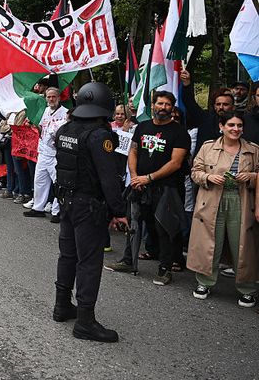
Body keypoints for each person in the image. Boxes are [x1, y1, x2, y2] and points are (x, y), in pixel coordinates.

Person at [51, 82, 127, 343]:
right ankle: (85, 321)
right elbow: (109, 178)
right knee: (89, 262)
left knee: (68, 255)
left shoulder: (65, 129)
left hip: (66, 201)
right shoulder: (99, 136)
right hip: (89, 205)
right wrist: (119, 211)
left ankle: (62, 306)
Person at [188, 112, 259, 306]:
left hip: (242, 200)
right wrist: (208, 178)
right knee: (210, 242)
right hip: (211, 199)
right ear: (222, 126)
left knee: (243, 246)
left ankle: (248, 289)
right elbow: (195, 172)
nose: (236, 129)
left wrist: (251, 176)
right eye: (231, 125)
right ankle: (204, 282)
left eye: (239, 126)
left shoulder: (253, 150)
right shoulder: (208, 147)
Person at [127, 91, 191, 286]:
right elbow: (133, 151)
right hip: (141, 186)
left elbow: (176, 163)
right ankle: (128, 260)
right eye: (160, 103)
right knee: (135, 223)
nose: (163, 107)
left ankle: (165, 269)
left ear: (172, 108)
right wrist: (135, 176)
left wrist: (149, 178)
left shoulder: (180, 132)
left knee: (165, 228)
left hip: (167, 188)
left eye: (167, 104)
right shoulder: (142, 127)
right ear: (152, 105)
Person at [24, 88, 66, 220]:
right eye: (49, 97)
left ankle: (57, 211)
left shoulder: (65, 113)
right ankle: (38, 208)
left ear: (58, 97)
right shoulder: (46, 111)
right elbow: (42, 128)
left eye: (53, 97)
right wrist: (34, 125)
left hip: (55, 154)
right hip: (43, 152)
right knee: (39, 181)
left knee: (58, 183)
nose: (51, 99)